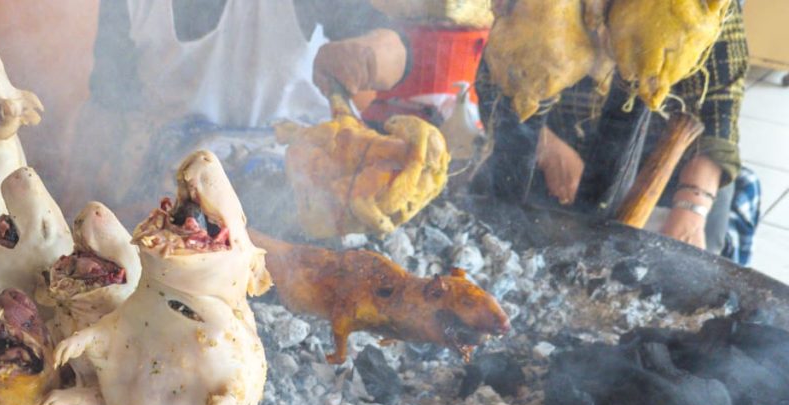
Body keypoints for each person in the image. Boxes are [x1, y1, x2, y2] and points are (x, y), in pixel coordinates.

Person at [308, 2, 748, 256]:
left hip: (670, 168)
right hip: (535, 146)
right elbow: (494, 70)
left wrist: (693, 205)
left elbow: (721, 97)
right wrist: (544, 143)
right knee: (503, 242)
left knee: (678, 270)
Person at [62, 0, 410, 213]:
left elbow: (398, 49)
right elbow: (106, 104)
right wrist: (74, 198)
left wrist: (369, 54)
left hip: (298, 188)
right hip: (173, 194)